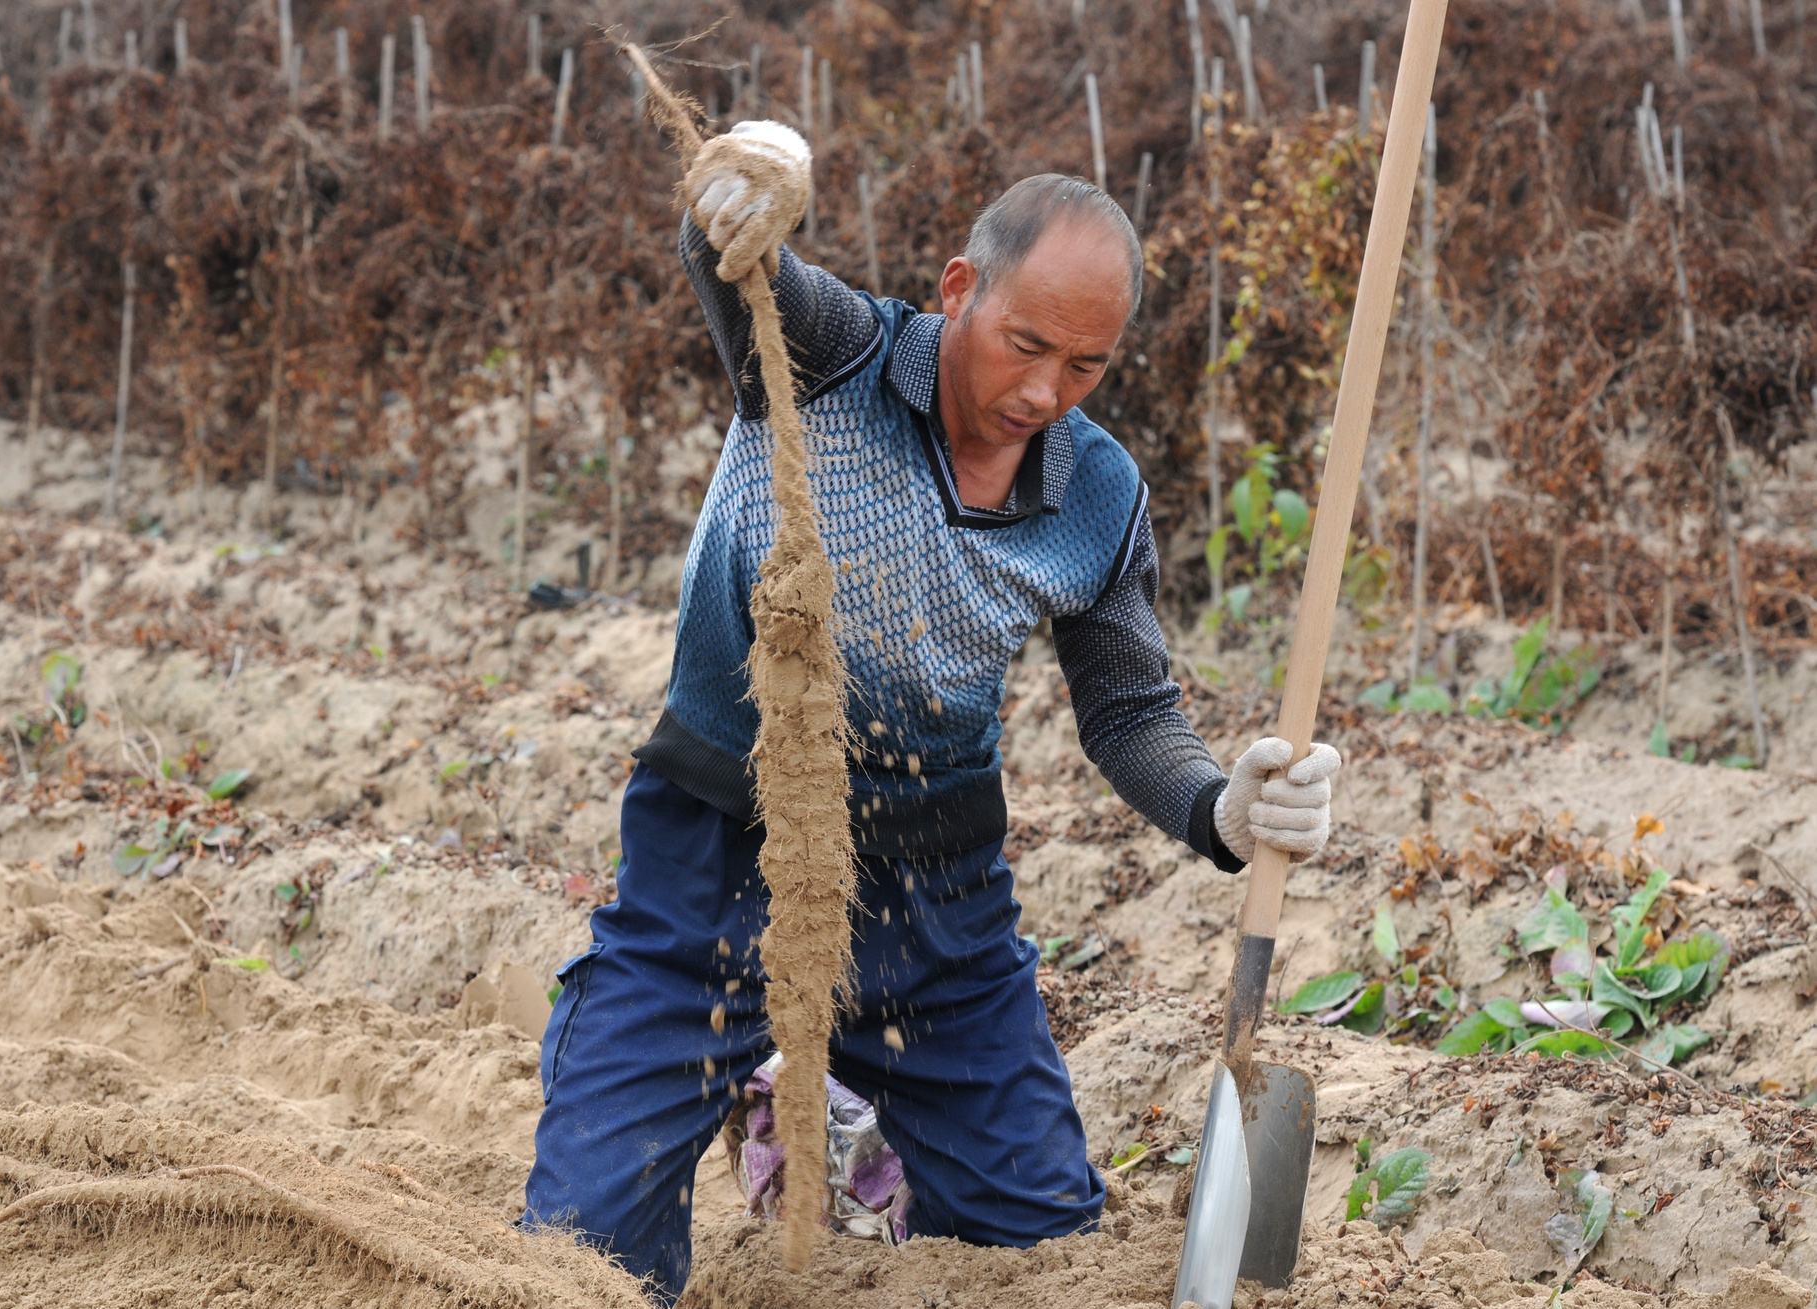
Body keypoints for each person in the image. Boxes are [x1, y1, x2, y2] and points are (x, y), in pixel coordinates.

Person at [521, 118, 1342, 1303]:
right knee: (581, 1252)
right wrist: (759, 172)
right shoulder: (833, 357)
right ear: (959, 289)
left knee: (1041, 1246)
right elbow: (732, 256)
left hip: (931, 904)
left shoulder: (1095, 493)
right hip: (717, 858)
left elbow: (1127, 712)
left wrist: (1224, 806)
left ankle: (853, 1125)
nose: (1044, 393)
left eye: (1087, 368)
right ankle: (637, 1050)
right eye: (1024, 345)